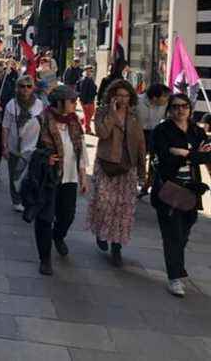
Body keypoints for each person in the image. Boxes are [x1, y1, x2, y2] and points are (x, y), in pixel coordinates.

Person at [150, 94, 211, 296]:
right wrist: (192, 155)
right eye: (175, 107)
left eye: (184, 106)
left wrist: (184, 154)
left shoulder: (196, 131)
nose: (180, 110)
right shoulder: (162, 131)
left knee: (184, 233)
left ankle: (177, 264)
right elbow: (163, 158)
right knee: (172, 235)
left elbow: (207, 155)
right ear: (169, 109)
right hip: (168, 189)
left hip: (191, 190)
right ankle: (174, 277)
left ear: (190, 109)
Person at [86, 80, 146, 267]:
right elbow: (102, 133)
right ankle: (101, 233)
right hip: (106, 165)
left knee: (123, 209)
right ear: (112, 96)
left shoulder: (135, 115)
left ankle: (117, 248)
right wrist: (112, 114)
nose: (122, 98)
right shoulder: (103, 111)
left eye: (126, 95)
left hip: (128, 167)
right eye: (119, 95)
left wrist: (143, 171)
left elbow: (141, 143)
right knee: (103, 203)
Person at [35, 85, 89, 276]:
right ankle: (45, 258)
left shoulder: (74, 122)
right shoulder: (41, 120)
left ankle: (58, 236)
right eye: (72, 101)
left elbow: (80, 149)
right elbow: (26, 149)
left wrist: (83, 176)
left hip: (70, 178)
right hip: (48, 179)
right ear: (59, 102)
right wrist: (44, 158)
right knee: (45, 218)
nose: (75, 104)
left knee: (67, 215)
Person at [2, 76, 44, 213]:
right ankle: (16, 200)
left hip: (33, 147)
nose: (25, 89)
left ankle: (28, 198)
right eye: (22, 86)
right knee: (15, 174)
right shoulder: (11, 104)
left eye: (29, 86)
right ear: (17, 88)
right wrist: (5, 146)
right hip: (15, 147)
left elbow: (44, 124)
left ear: (33, 88)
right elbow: (5, 127)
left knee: (31, 175)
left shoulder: (39, 104)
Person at [136, 83, 170, 196]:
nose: (167, 99)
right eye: (164, 96)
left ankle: (147, 185)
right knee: (138, 160)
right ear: (155, 98)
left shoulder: (165, 104)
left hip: (155, 133)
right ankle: (135, 181)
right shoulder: (137, 101)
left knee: (155, 161)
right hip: (138, 133)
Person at [78, 64, 98, 134]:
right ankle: (87, 130)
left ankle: (79, 122)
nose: (90, 72)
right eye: (88, 70)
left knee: (90, 114)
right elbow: (83, 92)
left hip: (91, 100)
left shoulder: (90, 79)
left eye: (91, 71)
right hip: (86, 101)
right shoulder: (84, 80)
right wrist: (85, 102)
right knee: (87, 115)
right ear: (85, 71)